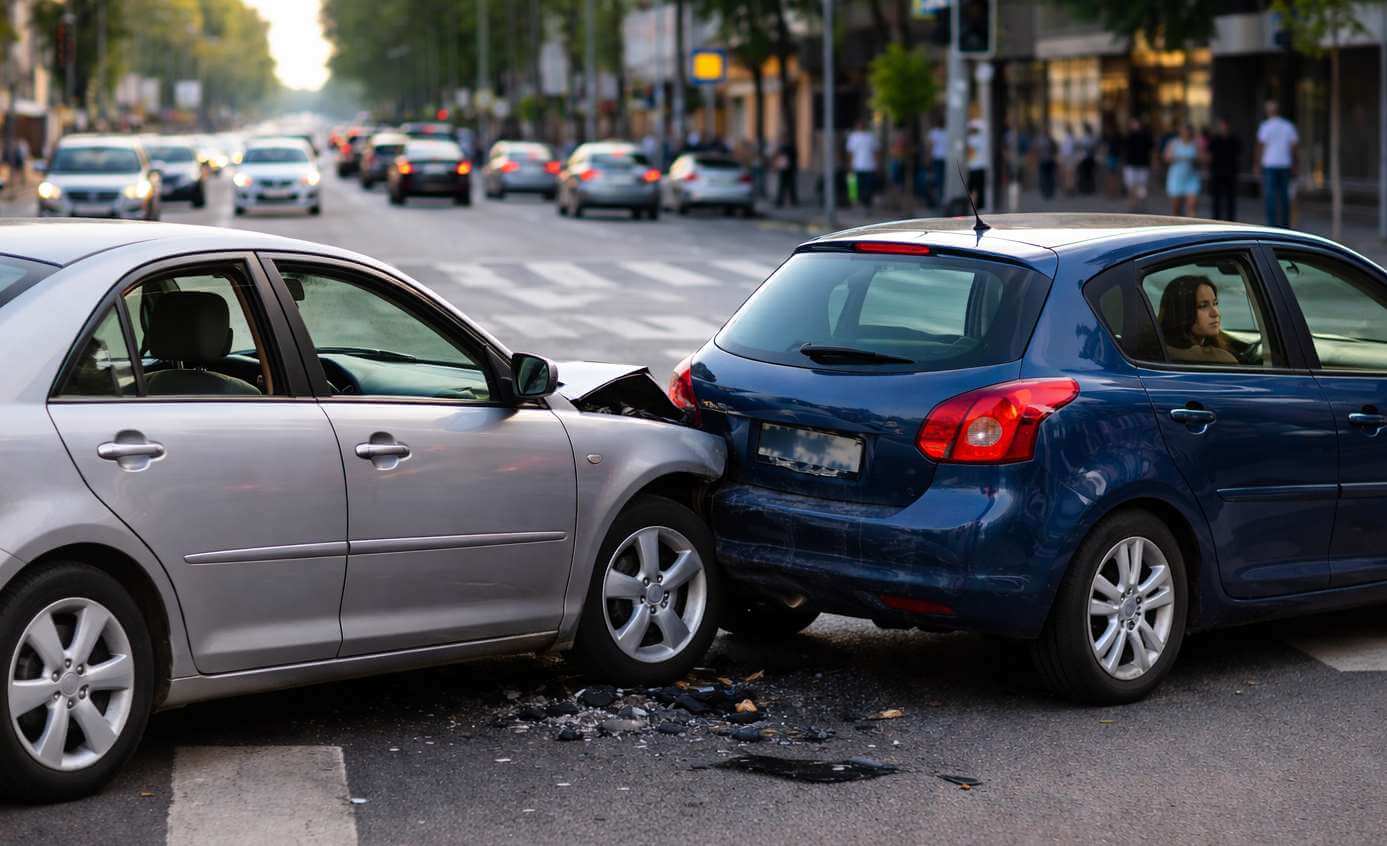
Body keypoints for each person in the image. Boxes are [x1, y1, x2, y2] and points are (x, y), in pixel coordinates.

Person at [1157, 275, 1239, 364]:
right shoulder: (1220, 360)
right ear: (1181, 312)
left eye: (1215, 303)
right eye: (1203, 306)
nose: (1215, 313)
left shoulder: (1162, 347)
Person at [1256, 99, 1298, 228]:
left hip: (1270, 164)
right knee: (1284, 196)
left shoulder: (1265, 126)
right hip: (1285, 164)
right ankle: (1285, 225)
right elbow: (1294, 147)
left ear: (1268, 111)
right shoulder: (1288, 126)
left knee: (1270, 197)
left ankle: (1272, 225)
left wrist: (1257, 163)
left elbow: (1260, 146)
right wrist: (1295, 163)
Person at [1164, 124, 1201, 217]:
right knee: (1176, 209)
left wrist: (1195, 159)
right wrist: (1176, 158)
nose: (1186, 133)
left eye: (1188, 131)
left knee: (1192, 207)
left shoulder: (1195, 144)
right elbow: (1166, 158)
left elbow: (1203, 158)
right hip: (1176, 178)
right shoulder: (1173, 143)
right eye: (1183, 131)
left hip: (1191, 178)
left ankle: (1192, 229)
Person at [1208, 118, 1241, 221]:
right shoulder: (1215, 139)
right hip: (1217, 172)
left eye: (1226, 126)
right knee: (1216, 199)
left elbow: (1239, 155)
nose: (1224, 128)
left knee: (1230, 199)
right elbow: (1210, 155)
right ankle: (1216, 220)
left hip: (1231, 172)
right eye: (1222, 126)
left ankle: (1230, 221)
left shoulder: (1234, 139)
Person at [1122, 118, 1154, 211]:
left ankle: (1141, 205)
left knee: (1142, 187)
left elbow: (1151, 150)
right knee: (1131, 186)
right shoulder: (1128, 136)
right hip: (1131, 165)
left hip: (1143, 165)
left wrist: (1153, 162)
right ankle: (1132, 205)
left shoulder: (1146, 136)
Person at [845, 120, 879, 208]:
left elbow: (876, 151)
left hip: (869, 166)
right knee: (854, 185)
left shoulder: (871, 136)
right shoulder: (853, 137)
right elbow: (850, 153)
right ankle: (855, 202)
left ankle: (867, 204)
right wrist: (850, 165)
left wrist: (877, 164)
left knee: (868, 186)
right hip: (857, 165)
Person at [966, 118, 988, 209]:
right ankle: (980, 206)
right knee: (980, 188)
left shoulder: (969, 139)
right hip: (981, 166)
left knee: (970, 188)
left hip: (972, 167)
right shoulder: (983, 139)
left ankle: (970, 205)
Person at [927, 120, 948, 209]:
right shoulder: (935, 132)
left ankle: (941, 200)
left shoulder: (935, 132)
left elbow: (930, 147)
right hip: (938, 159)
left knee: (940, 180)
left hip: (941, 159)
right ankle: (939, 200)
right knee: (939, 180)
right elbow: (930, 146)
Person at [773, 133, 798, 207]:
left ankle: (790, 200)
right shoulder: (783, 147)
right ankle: (781, 200)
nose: (783, 140)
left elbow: (793, 157)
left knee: (789, 185)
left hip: (788, 169)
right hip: (784, 169)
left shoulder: (787, 148)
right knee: (783, 186)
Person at [1035, 129, 1057, 200]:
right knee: (1047, 177)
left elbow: (1037, 150)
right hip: (1047, 161)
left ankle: (1047, 192)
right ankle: (1048, 192)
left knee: (1046, 177)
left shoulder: (1041, 140)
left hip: (1045, 161)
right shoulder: (1049, 140)